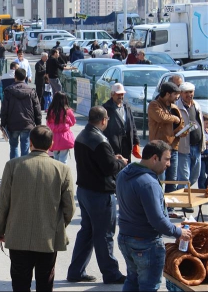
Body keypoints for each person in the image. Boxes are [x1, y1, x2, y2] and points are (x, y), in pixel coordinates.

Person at [0, 125, 76, 292]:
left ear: (30, 143)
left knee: (20, 282)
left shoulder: (13, 165)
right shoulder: (62, 169)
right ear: (51, 144)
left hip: (18, 236)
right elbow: (69, 207)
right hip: (48, 237)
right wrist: (57, 226)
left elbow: (3, 203)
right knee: (45, 282)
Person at [116, 140, 192, 291]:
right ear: (154, 158)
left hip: (126, 238)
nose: (169, 164)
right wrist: (178, 232)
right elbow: (157, 221)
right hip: (145, 244)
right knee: (149, 286)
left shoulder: (124, 173)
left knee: (132, 281)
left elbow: (136, 202)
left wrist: (160, 204)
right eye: (167, 159)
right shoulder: (148, 183)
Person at [67, 106, 127, 284]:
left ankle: (76, 271)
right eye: (107, 119)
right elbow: (109, 168)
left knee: (87, 232)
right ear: (103, 120)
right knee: (104, 234)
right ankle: (110, 273)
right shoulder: (99, 140)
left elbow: (100, 162)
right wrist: (120, 162)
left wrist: (112, 159)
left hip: (85, 190)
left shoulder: (83, 135)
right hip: (100, 193)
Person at [148, 82, 185, 218]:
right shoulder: (154, 105)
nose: (177, 97)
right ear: (168, 94)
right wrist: (174, 118)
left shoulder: (174, 107)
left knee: (172, 179)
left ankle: (169, 210)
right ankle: (157, 208)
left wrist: (183, 131)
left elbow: (180, 123)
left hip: (172, 147)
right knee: (160, 179)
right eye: (175, 94)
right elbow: (161, 117)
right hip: (158, 149)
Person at [0, 68, 42, 159]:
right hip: (27, 123)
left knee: (14, 146)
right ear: (25, 77)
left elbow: (4, 109)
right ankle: (24, 168)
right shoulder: (31, 91)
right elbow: (37, 108)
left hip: (12, 123)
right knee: (25, 146)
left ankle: (14, 169)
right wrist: (38, 124)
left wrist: (3, 123)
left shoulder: (8, 91)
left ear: (15, 77)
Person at [176, 82, 206, 188]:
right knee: (184, 177)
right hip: (183, 148)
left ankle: (183, 194)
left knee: (194, 176)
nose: (189, 95)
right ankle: (183, 202)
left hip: (197, 147)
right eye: (186, 93)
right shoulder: (176, 107)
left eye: (191, 92)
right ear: (181, 93)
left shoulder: (196, 105)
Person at [102, 83, 141, 163]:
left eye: (122, 94)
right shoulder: (106, 108)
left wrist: (136, 142)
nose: (120, 96)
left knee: (126, 167)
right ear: (112, 94)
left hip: (126, 143)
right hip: (113, 145)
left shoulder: (126, 107)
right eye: (118, 94)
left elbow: (132, 125)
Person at [46, 92, 76, 164]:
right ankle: (62, 173)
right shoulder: (68, 111)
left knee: (55, 156)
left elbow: (48, 123)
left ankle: (55, 172)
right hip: (65, 137)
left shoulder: (51, 111)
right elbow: (73, 122)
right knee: (63, 158)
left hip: (54, 137)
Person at [199, 115, 208, 189]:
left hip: (207, 156)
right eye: (206, 123)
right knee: (201, 175)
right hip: (201, 157)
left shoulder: (207, 132)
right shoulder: (200, 131)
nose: (207, 126)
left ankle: (205, 187)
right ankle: (202, 190)